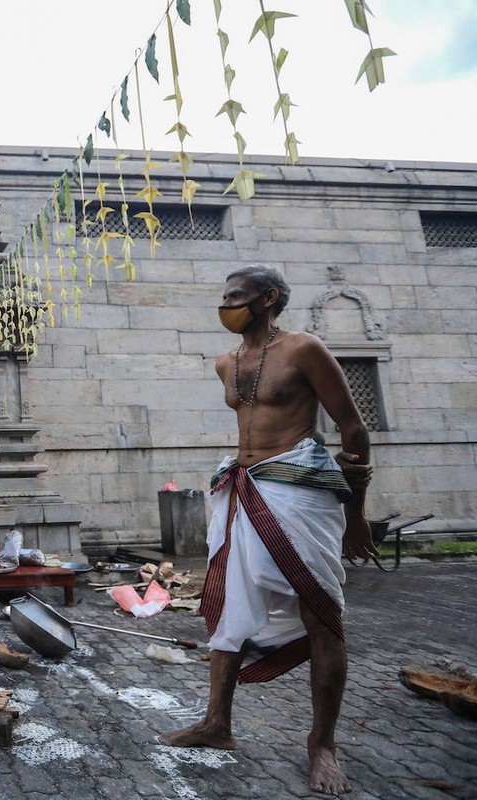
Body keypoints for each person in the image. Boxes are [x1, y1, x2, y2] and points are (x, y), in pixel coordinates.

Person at [160, 265, 377, 796]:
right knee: (231, 608)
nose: (227, 302)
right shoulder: (225, 363)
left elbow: (353, 430)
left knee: (320, 613)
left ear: (270, 298)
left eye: (238, 295)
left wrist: (356, 513)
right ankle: (217, 723)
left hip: (299, 494)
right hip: (243, 490)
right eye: (225, 294)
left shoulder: (305, 349)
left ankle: (321, 744)